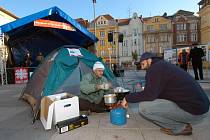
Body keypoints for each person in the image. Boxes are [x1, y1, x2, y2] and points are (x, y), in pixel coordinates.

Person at [120, 52, 209, 136]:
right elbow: (157, 92)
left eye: (143, 63)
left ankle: (180, 128)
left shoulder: (155, 68)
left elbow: (149, 95)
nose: (142, 67)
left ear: (149, 59)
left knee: (144, 107)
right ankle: (180, 121)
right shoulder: (162, 65)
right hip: (201, 107)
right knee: (154, 101)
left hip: (195, 112)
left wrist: (127, 98)